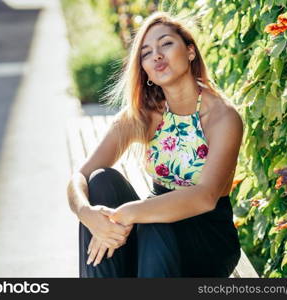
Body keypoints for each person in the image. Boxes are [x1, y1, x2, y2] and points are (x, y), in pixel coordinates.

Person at [66, 11, 244, 278]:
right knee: (101, 180)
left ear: (190, 51)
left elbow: (205, 197)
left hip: (207, 241)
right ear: (145, 69)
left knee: (151, 218)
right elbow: (80, 176)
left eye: (166, 44)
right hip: (156, 235)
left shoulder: (222, 116)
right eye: (147, 53)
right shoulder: (144, 115)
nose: (157, 55)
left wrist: (130, 213)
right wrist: (87, 213)